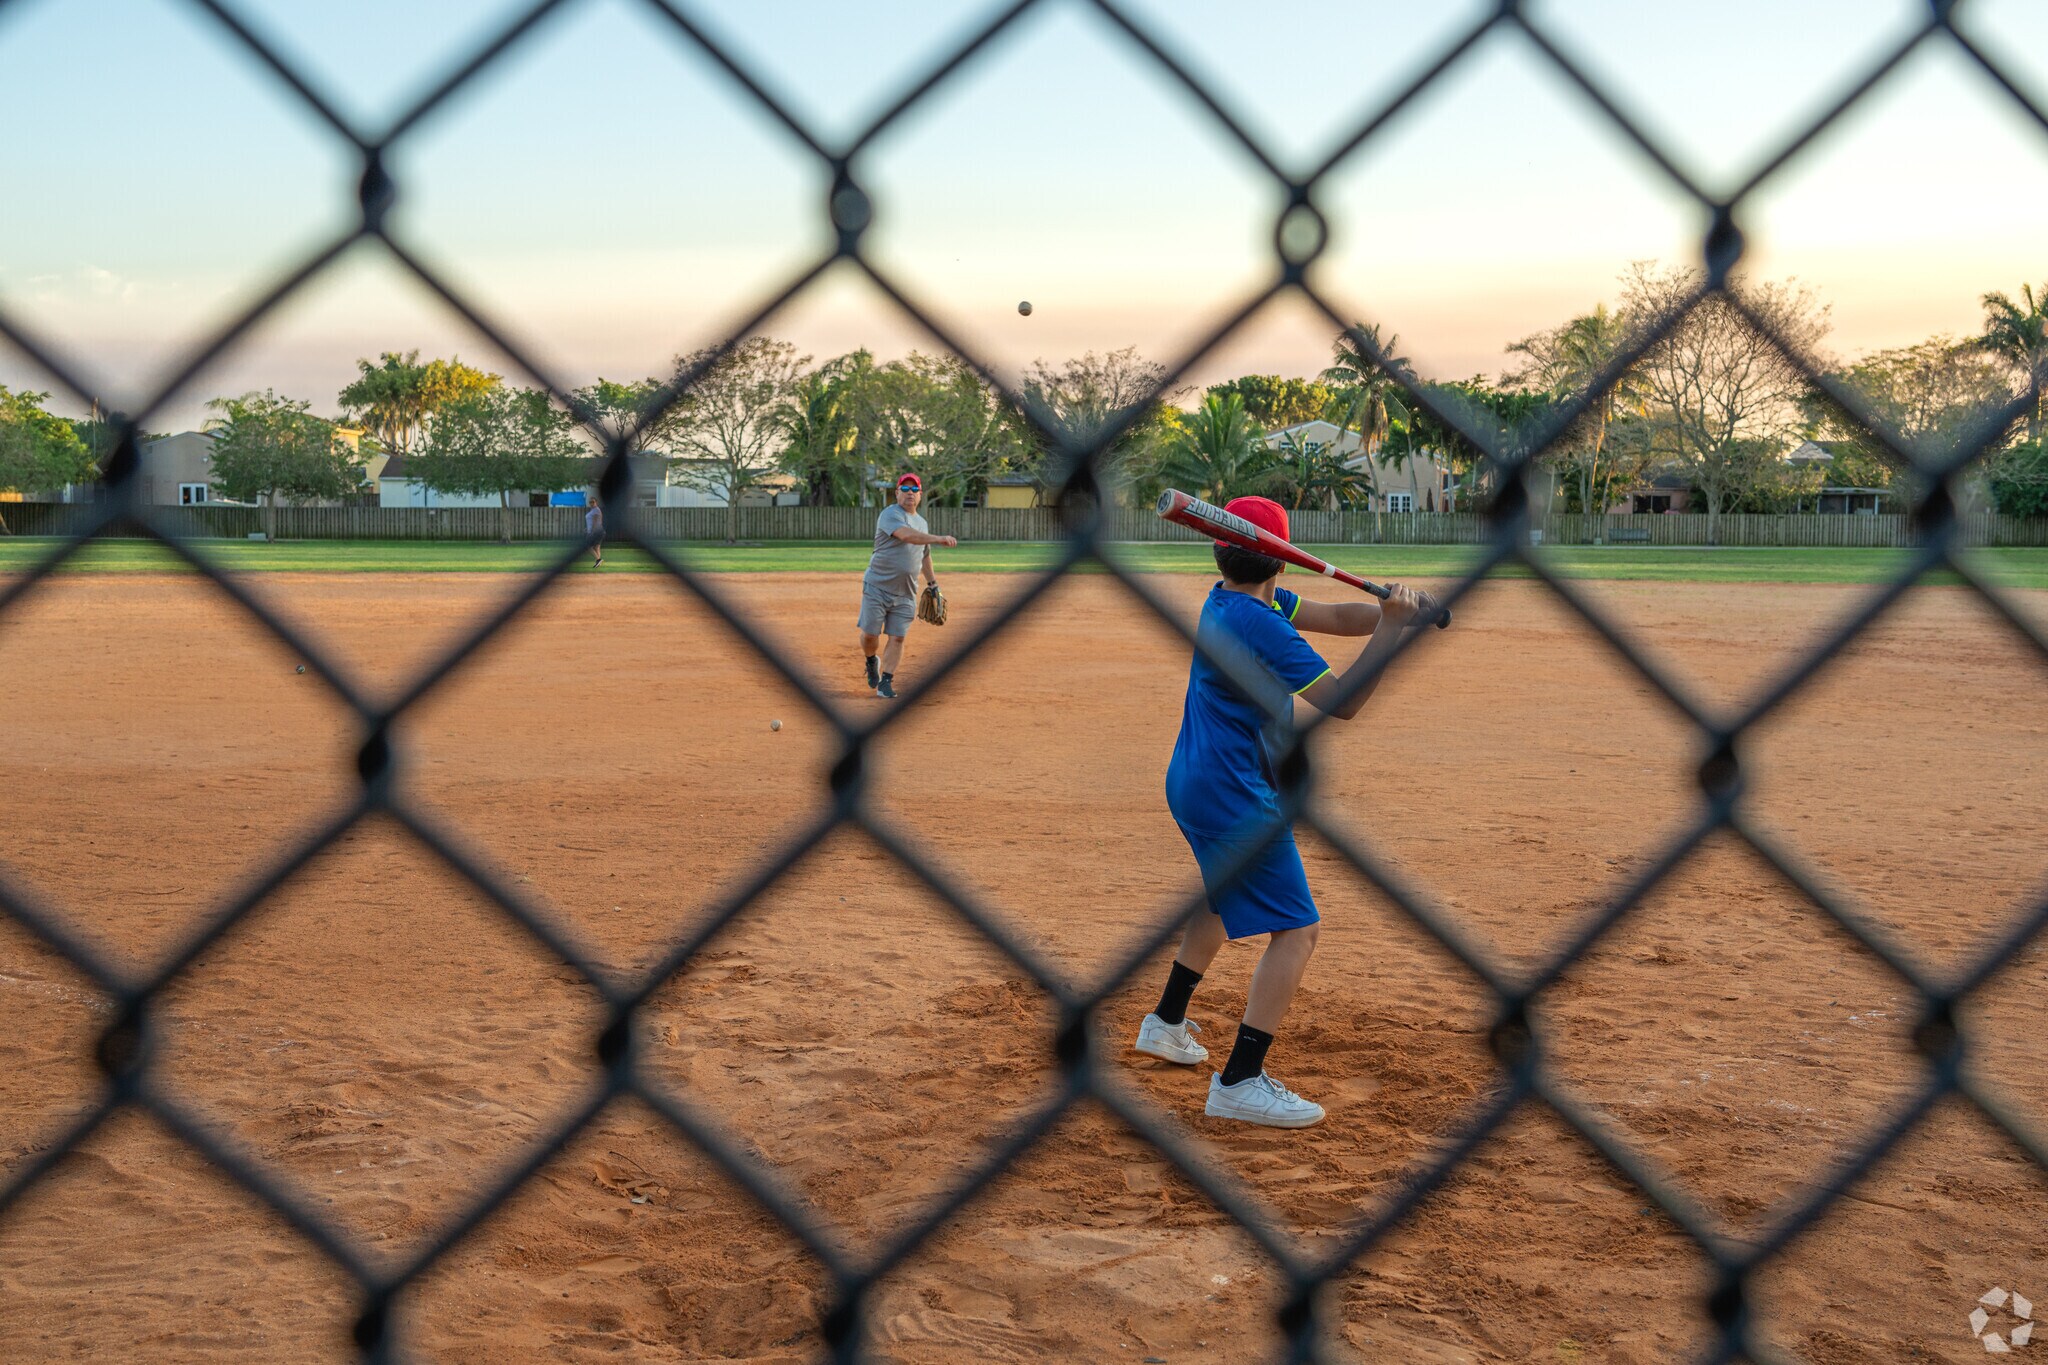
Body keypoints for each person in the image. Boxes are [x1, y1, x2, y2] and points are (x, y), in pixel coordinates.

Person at [1134, 495, 1434, 1128]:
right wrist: (1392, 630)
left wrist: (1388, 613)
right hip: (1235, 794)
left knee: (1220, 901)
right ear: (1281, 557)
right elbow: (1342, 703)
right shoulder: (1262, 624)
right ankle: (1240, 1081)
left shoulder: (1234, 600)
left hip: (1195, 780)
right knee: (1297, 930)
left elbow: (1330, 612)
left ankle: (1165, 1022)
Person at [857, 473, 955, 699]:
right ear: (897, 493)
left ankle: (886, 682)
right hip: (877, 586)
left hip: (906, 591)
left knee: (898, 637)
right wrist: (938, 538)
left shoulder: (922, 523)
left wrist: (932, 584)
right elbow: (907, 536)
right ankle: (871, 660)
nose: (910, 492)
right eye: (905, 488)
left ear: (920, 495)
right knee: (871, 635)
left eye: (914, 489)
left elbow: (924, 555)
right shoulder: (889, 514)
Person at [585, 500, 604, 568]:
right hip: (599, 531)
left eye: (593, 502)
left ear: (596, 502)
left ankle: (598, 559)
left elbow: (595, 522)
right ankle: (598, 563)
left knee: (587, 547)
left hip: (595, 532)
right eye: (590, 502)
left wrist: (592, 531)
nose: (591, 503)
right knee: (596, 547)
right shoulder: (593, 510)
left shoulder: (596, 510)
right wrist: (587, 529)